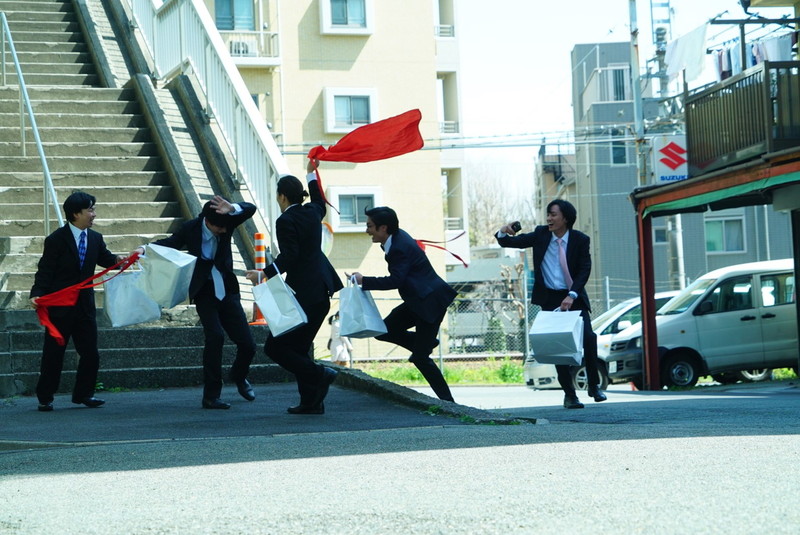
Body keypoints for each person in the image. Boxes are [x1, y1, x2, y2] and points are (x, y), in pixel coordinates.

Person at [132, 195, 257, 410]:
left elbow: (250, 209)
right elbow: (170, 243)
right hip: (205, 291)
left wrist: (233, 207)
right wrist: (144, 249)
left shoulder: (227, 220)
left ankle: (239, 374)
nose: (225, 232)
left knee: (248, 344)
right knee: (215, 337)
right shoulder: (191, 228)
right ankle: (211, 396)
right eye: (220, 229)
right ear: (208, 223)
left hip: (227, 289)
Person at [245, 159, 343, 415]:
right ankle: (312, 403)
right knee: (299, 348)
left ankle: (321, 374)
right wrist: (312, 174)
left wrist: (263, 274)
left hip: (303, 294)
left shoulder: (285, 221)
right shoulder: (312, 213)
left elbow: (290, 256)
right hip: (322, 291)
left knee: (275, 348)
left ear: (281, 196)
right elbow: (320, 201)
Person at [496, 199, 607, 409]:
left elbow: (585, 269)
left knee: (589, 339)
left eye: (554, 214)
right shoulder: (541, 234)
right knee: (558, 347)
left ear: (565, 218)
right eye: (548, 214)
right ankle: (570, 395)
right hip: (550, 299)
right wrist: (504, 230)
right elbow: (509, 242)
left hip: (573, 296)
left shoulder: (580, 240)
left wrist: (572, 294)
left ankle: (594, 386)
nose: (549, 218)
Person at [30, 191, 126, 411]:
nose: (94, 214)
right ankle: (45, 397)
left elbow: (105, 258)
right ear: (75, 213)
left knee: (90, 353)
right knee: (54, 354)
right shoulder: (56, 240)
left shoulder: (95, 238)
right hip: (60, 307)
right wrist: (37, 292)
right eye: (90, 210)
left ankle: (84, 394)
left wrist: (118, 261)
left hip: (84, 307)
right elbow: (45, 270)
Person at [351, 206, 455, 402]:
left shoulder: (399, 247)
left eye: (370, 226)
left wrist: (364, 280)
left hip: (430, 302)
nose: (367, 231)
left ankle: (449, 403)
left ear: (383, 228)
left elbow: (395, 280)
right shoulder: (396, 239)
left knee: (420, 358)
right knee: (383, 330)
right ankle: (425, 343)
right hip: (417, 300)